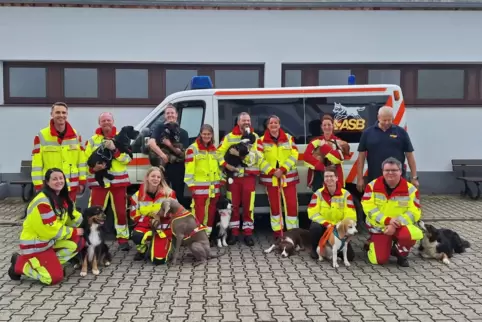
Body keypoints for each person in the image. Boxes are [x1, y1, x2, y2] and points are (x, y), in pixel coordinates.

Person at [8, 168, 85, 285]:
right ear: (47, 182)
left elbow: (73, 217)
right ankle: (20, 264)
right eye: (54, 179)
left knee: (78, 242)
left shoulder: (63, 198)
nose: (59, 181)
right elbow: (51, 230)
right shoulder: (43, 202)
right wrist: (75, 231)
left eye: (61, 178)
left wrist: (89, 223)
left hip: (49, 243)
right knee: (53, 278)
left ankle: (50, 265)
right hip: (36, 246)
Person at [217, 112, 271, 246]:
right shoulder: (229, 137)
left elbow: (258, 156)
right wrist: (226, 165)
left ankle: (248, 234)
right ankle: (234, 234)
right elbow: (218, 154)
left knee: (249, 207)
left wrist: (241, 155)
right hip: (233, 178)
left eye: (248, 120)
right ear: (238, 122)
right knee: (233, 207)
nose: (246, 123)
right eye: (243, 120)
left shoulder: (255, 137)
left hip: (248, 177)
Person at [362, 157, 423, 267]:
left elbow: (414, 212)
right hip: (380, 226)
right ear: (382, 171)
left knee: (410, 235)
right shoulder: (372, 186)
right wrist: (387, 221)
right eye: (387, 170)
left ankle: (400, 253)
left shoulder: (411, 190)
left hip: (400, 225)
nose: (390, 173)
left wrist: (395, 224)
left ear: (400, 171)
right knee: (380, 260)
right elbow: (368, 208)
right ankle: (373, 243)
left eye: (394, 170)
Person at [84, 112, 132, 251]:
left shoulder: (122, 138)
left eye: (108, 120)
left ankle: (123, 239)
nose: (106, 122)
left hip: (119, 183)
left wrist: (114, 150)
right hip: (99, 184)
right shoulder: (92, 141)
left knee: (121, 213)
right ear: (100, 123)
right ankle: (92, 238)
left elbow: (128, 159)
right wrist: (94, 168)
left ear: (113, 122)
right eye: (103, 120)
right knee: (94, 213)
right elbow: (85, 162)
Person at [31, 102, 86, 202]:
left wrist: (82, 181)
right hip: (50, 186)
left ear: (67, 115)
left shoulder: (76, 135)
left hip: (71, 185)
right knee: (54, 215)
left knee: (70, 214)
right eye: (57, 112)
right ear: (52, 114)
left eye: (64, 113)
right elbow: (36, 164)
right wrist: (38, 185)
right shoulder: (41, 136)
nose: (61, 115)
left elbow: (81, 161)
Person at [356, 106, 419, 194]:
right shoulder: (368, 133)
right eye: (384, 120)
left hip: (398, 179)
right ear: (378, 118)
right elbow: (361, 157)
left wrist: (414, 177)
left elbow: (410, 155)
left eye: (389, 120)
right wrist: (359, 178)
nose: (387, 123)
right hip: (375, 179)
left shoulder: (401, 132)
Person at [258, 115, 300, 239]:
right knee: (275, 208)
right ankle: (278, 234)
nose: (273, 125)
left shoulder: (288, 138)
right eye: (271, 123)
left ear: (279, 125)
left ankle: (293, 234)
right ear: (267, 126)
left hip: (288, 178)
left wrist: (282, 170)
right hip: (271, 179)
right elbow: (259, 159)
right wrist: (272, 171)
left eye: (275, 122)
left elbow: (294, 155)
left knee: (292, 206)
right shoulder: (261, 141)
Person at [307, 165, 357, 260]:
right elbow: (312, 213)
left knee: (350, 257)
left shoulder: (346, 195)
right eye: (326, 176)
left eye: (331, 176)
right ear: (324, 179)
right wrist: (326, 224)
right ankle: (315, 249)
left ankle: (335, 250)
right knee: (315, 227)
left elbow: (350, 214)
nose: (329, 179)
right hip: (324, 227)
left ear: (337, 178)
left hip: (339, 229)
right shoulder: (317, 194)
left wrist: (341, 226)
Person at [130, 167, 176, 264]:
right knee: (137, 235)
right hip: (146, 225)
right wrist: (150, 220)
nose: (155, 179)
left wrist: (162, 217)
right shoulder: (137, 196)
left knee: (158, 261)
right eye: (153, 176)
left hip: (163, 228)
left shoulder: (169, 194)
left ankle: (168, 245)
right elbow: (134, 215)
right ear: (147, 177)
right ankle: (142, 251)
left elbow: (175, 212)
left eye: (158, 177)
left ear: (161, 180)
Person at [147, 104, 189, 208]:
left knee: (178, 194)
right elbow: (151, 143)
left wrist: (169, 145)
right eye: (168, 113)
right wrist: (162, 155)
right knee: (161, 193)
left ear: (177, 115)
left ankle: (176, 218)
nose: (170, 115)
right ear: (165, 115)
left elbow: (182, 153)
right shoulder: (160, 128)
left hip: (178, 167)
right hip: (163, 166)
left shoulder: (183, 133)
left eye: (172, 113)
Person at [184, 124, 221, 237]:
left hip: (214, 189)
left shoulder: (214, 150)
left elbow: (218, 168)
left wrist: (222, 180)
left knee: (210, 215)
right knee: (199, 215)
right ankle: (197, 237)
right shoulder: (192, 149)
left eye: (209, 134)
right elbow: (189, 170)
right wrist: (191, 186)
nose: (206, 136)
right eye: (204, 134)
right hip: (199, 190)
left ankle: (207, 237)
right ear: (200, 134)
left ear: (212, 135)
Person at [304, 114, 348, 192]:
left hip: (334, 175)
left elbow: (339, 158)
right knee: (319, 201)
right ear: (321, 127)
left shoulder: (338, 141)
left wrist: (324, 147)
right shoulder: (315, 141)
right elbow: (306, 157)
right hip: (318, 177)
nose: (327, 127)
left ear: (333, 126)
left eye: (329, 125)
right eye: (324, 125)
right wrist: (321, 167)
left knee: (334, 200)